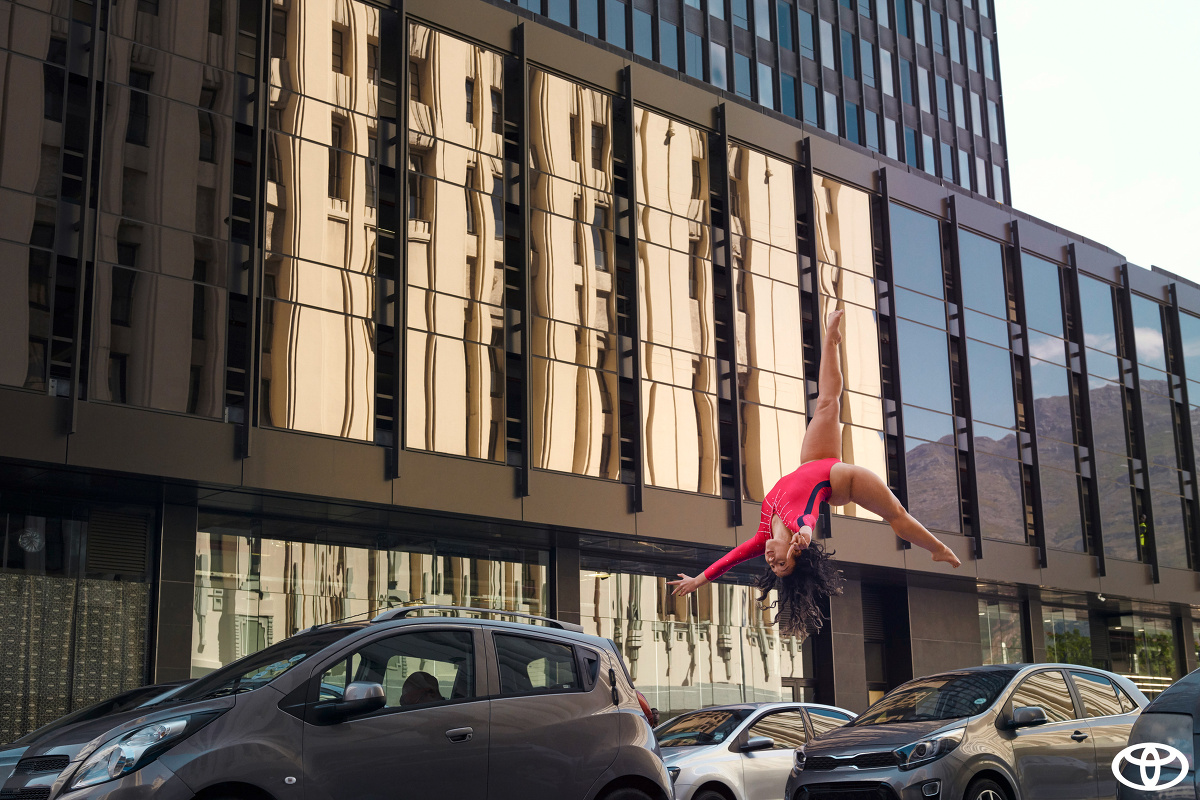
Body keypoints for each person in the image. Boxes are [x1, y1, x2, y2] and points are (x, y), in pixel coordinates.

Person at [668, 309, 961, 637]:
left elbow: (731, 559)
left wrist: (698, 579)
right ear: (795, 552)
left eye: (773, 567)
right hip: (842, 480)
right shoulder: (798, 532)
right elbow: (807, 521)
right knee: (896, 514)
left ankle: (830, 340)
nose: (772, 561)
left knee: (826, 402)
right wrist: (802, 539)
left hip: (812, 462)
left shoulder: (763, 536)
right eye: (782, 563)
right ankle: (936, 548)